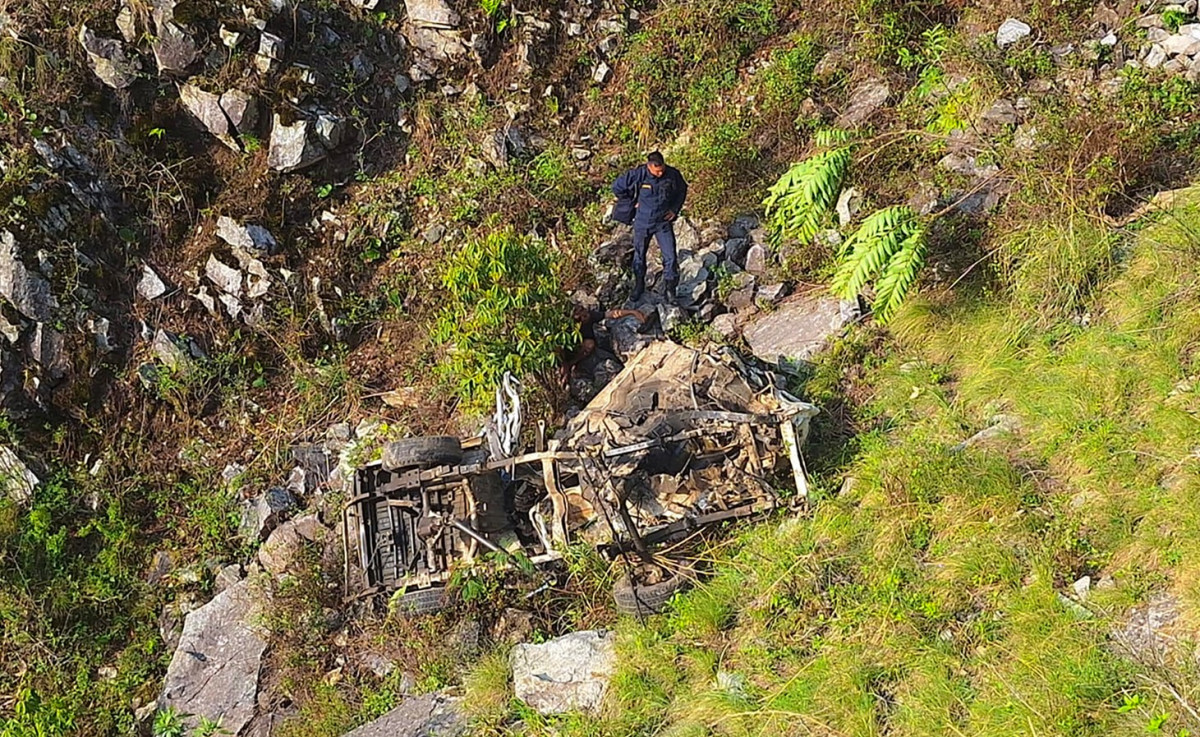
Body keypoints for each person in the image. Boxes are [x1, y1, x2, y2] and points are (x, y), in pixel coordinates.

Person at [611, 151, 688, 302]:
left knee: (670, 256)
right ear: (649, 166)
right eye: (656, 171)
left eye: (662, 170)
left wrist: (674, 209)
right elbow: (617, 187)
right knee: (639, 256)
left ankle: (670, 290)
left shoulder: (672, 174)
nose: (660, 173)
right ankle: (639, 286)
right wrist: (631, 203)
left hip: (662, 223)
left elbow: (682, 190)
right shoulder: (638, 175)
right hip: (642, 222)